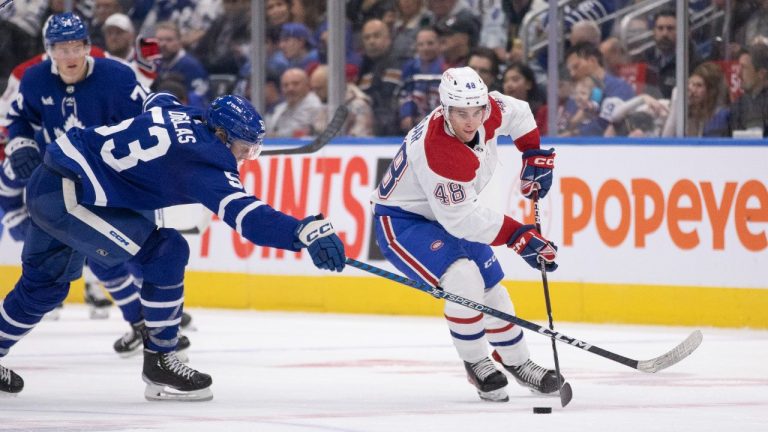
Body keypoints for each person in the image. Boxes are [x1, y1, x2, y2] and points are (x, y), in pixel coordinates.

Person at [0, 92, 347, 400]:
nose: (244, 160)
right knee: (166, 250)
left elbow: (158, 98)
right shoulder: (206, 167)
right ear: (222, 136)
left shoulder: (185, 113)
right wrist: (303, 231)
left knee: (42, 287)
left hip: (51, 180)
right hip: (69, 197)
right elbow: (250, 219)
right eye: (244, 150)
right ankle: (161, 359)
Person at [370, 67, 562, 402]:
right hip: (403, 222)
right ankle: (476, 362)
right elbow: (461, 219)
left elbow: (520, 114)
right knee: (462, 278)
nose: (471, 122)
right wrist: (518, 236)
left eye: (477, 111)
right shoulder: (439, 150)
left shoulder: (490, 110)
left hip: (442, 215)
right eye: (461, 113)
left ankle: (518, 363)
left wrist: (531, 152)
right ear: (444, 109)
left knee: (492, 289)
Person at [0, 12, 176, 352]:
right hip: (65, 191)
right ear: (48, 50)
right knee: (92, 259)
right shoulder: (34, 80)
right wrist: (20, 141)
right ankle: (146, 324)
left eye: (75, 46)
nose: (69, 56)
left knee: (146, 253)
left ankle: (162, 324)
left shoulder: (117, 77)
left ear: (88, 47)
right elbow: (19, 117)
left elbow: (148, 119)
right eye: (60, 48)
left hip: (116, 185)